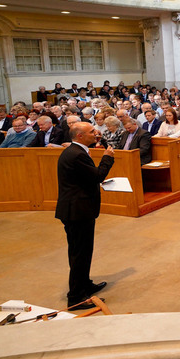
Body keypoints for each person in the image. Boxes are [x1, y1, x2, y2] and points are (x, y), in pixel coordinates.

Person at [56, 122, 114, 310]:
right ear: (80, 136)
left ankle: (84, 285)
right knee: (79, 253)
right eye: (91, 132)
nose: (95, 134)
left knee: (83, 251)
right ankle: (76, 298)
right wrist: (107, 158)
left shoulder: (75, 151)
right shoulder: (76, 155)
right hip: (77, 211)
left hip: (78, 208)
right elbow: (97, 176)